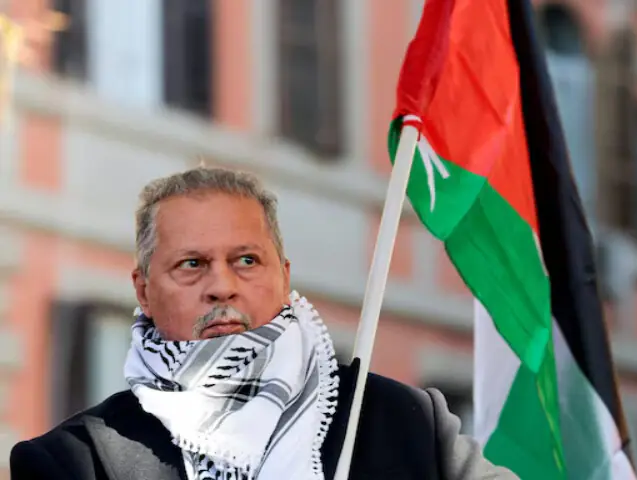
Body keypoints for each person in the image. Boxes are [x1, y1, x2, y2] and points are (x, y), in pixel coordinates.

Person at [9, 167, 517, 479]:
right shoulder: (77, 462)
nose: (222, 286)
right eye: (192, 264)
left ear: (284, 275)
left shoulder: (401, 420)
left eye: (247, 260)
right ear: (143, 289)